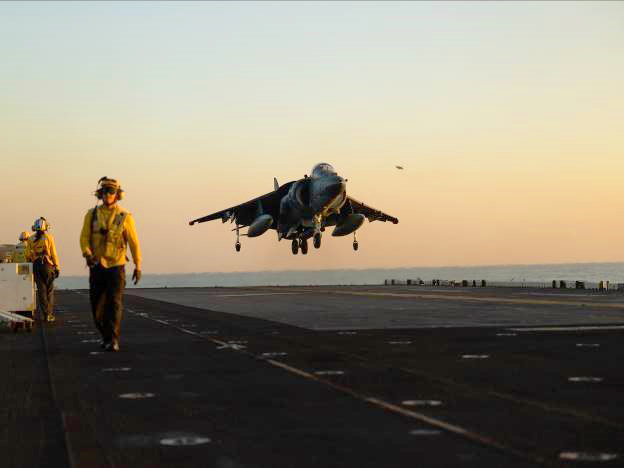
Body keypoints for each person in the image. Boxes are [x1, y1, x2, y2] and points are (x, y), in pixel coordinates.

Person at [79, 177, 141, 352]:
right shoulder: (91, 215)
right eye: (105, 191)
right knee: (96, 305)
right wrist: (87, 254)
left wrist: (138, 265)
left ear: (117, 195)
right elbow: (84, 238)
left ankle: (113, 339)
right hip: (97, 265)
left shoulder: (124, 217)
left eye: (111, 192)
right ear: (101, 194)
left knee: (114, 303)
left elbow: (134, 242)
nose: (108, 195)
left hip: (116, 266)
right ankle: (106, 335)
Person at [26, 218, 60, 322]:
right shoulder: (49, 237)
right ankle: (49, 314)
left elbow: (27, 255)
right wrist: (57, 267)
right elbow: (53, 253)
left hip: (36, 266)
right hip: (47, 265)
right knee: (49, 290)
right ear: (45, 227)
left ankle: (45, 314)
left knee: (41, 291)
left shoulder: (30, 239)